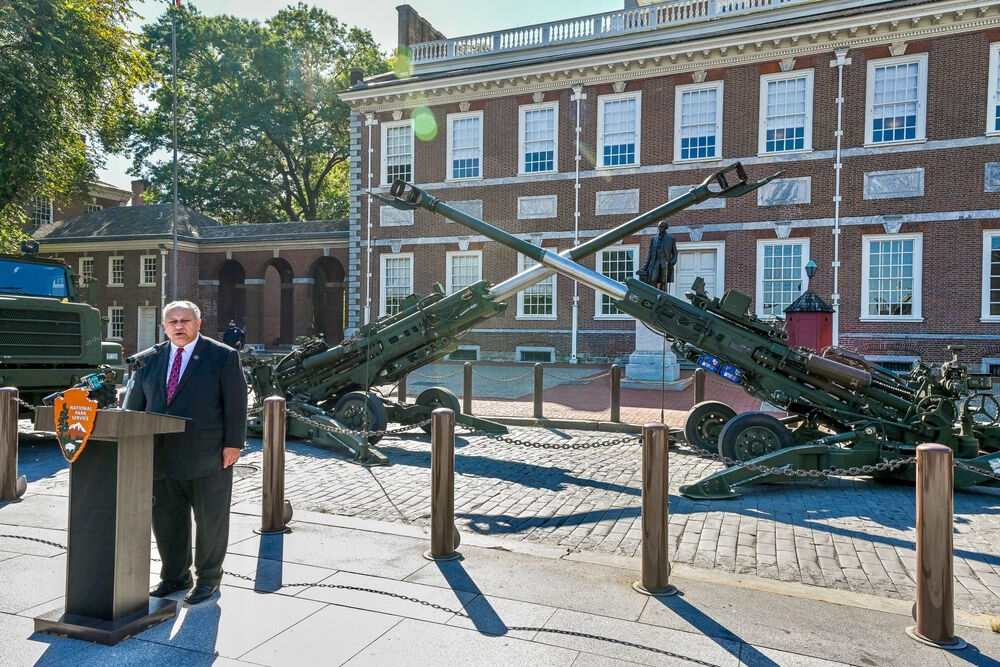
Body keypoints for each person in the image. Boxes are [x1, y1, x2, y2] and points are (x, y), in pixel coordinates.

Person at [125, 300, 247, 605]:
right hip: (160, 454)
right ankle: (175, 575)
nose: (179, 327)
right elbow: (135, 406)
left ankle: (208, 579)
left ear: (198, 323)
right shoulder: (150, 359)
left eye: (185, 320)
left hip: (207, 455)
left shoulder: (222, 356)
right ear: (164, 327)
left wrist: (233, 444)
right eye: (172, 322)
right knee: (166, 519)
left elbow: (236, 403)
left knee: (210, 520)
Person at [636, 220, 678, 291]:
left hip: (665, 262)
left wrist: (673, 261)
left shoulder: (671, 239)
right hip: (655, 261)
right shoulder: (653, 239)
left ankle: (662, 295)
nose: (659, 228)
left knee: (664, 281)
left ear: (665, 228)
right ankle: (655, 294)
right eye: (659, 227)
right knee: (652, 279)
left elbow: (675, 252)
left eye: (661, 227)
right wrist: (646, 266)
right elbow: (650, 253)